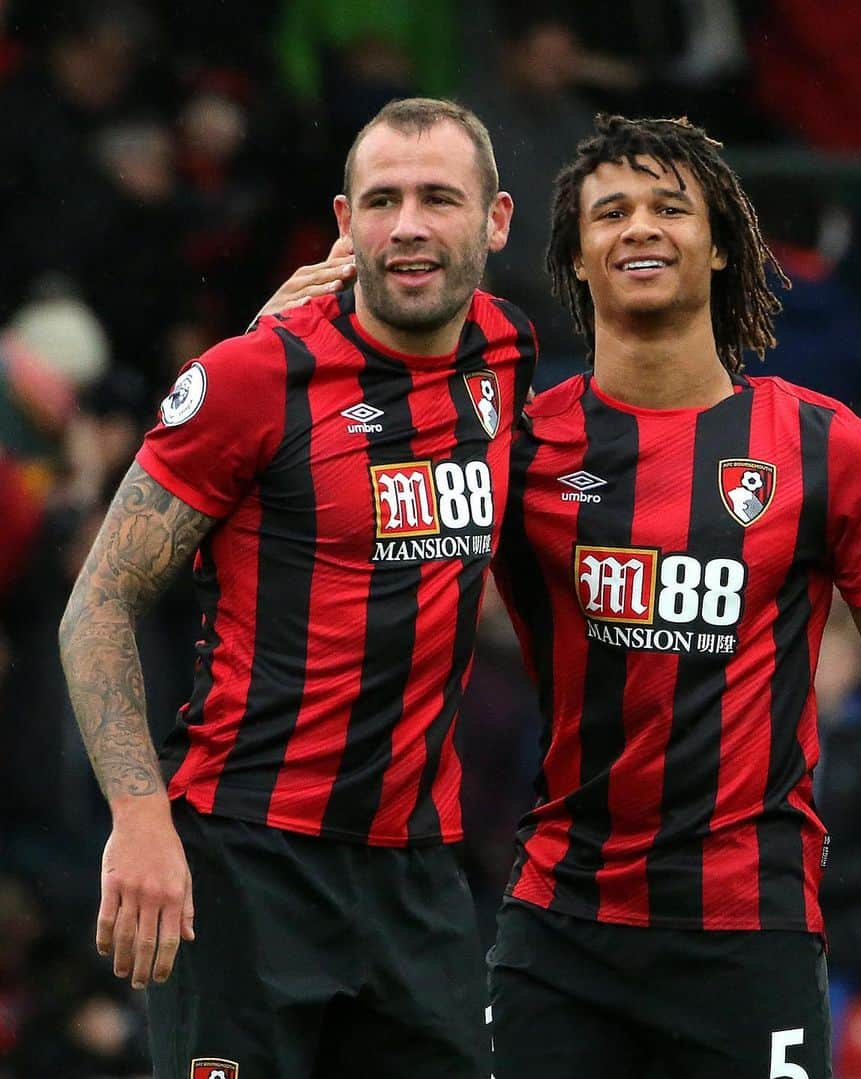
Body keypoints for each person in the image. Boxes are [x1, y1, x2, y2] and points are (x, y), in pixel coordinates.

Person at [483, 114, 861, 1077]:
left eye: (672, 207)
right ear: (575, 258)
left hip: (750, 933)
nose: (640, 228)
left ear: (719, 247)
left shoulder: (827, 447)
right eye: (610, 211)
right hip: (559, 929)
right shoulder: (521, 447)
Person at [58, 97, 535, 1079]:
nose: (407, 224)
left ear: (495, 220)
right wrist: (140, 817)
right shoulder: (251, 378)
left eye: (439, 198)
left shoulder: (507, 352)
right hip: (243, 865)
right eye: (383, 199)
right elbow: (97, 602)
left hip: (418, 872)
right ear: (344, 222)